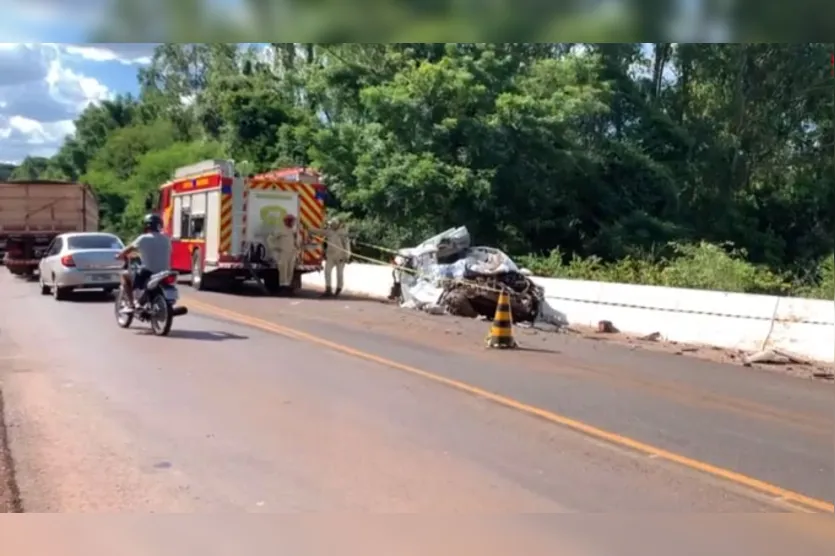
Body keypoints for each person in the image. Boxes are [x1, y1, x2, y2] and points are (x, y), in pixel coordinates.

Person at [116, 213, 172, 312]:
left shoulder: (143, 238)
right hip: (164, 272)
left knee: (125, 275)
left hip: (149, 272)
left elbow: (128, 249)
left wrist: (119, 255)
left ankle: (132, 304)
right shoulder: (166, 239)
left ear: (147, 225)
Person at [308, 217, 351, 297]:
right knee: (327, 271)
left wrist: (347, 256)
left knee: (339, 274)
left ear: (337, 225)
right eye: (331, 224)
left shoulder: (342, 233)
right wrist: (309, 228)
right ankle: (328, 289)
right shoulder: (329, 232)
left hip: (340, 256)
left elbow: (347, 245)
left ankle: (338, 289)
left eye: (332, 224)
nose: (331, 225)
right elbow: (320, 232)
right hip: (330, 256)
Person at [267, 213, 300, 294]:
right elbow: (270, 238)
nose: (293, 223)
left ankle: (288, 286)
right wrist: (275, 247)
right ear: (288, 222)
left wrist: (297, 239)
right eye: (292, 221)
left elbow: (298, 243)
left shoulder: (293, 231)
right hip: (283, 253)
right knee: (283, 269)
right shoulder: (280, 230)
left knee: (290, 270)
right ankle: (283, 286)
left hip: (292, 253)